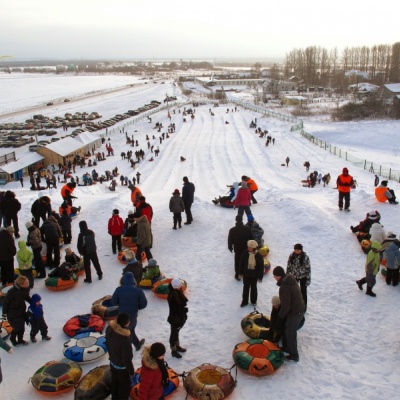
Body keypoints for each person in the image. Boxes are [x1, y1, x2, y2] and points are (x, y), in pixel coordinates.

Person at [272, 266, 305, 362]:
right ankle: (286, 347)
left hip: (296, 311)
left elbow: (285, 306)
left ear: (278, 276)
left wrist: (279, 317)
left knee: (291, 332)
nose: (274, 278)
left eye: (274, 276)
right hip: (297, 308)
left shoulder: (285, 287)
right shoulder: (288, 280)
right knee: (287, 329)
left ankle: (294, 355)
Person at [112, 272, 147, 350]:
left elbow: (113, 302)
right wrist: (137, 307)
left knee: (127, 331)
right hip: (133, 315)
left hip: (122, 316)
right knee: (129, 330)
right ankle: (130, 347)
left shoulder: (119, 290)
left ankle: (134, 345)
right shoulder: (138, 291)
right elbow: (144, 304)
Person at [105, 313, 135, 400]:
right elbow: (127, 359)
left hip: (112, 361)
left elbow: (107, 342)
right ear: (126, 323)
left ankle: (114, 397)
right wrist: (131, 372)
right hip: (122, 368)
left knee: (114, 382)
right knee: (124, 387)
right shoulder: (125, 339)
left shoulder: (109, 328)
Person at [3, 275, 31, 347]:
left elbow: (26, 297)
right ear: (21, 284)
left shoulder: (26, 289)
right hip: (13, 314)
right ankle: (13, 340)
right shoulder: (11, 292)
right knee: (16, 328)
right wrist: (4, 315)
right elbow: (6, 303)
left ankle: (20, 340)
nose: (28, 283)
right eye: (26, 283)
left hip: (21, 311)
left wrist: (33, 302)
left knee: (22, 328)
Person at [238, 240, 264, 307]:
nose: (248, 248)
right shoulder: (245, 253)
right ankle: (244, 301)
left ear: (254, 248)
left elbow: (261, 267)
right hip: (246, 274)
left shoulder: (258, 256)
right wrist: (240, 273)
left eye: (250, 247)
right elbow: (241, 263)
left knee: (253, 288)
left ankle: (253, 301)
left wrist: (260, 277)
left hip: (254, 275)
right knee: (245, 288)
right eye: (248, 246)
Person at [286, 244, 311, 312]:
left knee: (303, 291)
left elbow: (308, 269)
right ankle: (293, 304)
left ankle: (304, 306)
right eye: (295, 249)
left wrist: (308, 279)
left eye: (298, 250)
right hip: (294, 276)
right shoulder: (291, 256)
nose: (296, 251)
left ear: (301, 250)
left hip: (303, 276)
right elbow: (288, 267)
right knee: (293, 290)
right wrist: (287, 276)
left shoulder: (305, 257)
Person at [167, 278, 188, 358]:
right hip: (175, 318)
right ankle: (173, 350)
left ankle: (177, 346)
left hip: (179, 317)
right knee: (173, 334)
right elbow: (175, 308)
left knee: (176, 332)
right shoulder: (173, 295)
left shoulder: (176, 292)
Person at [228, 215, 253, 281]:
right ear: (242, 220)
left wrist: (230, 247)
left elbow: (230, 240)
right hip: (246, 248)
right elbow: (251, 238)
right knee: (246, 261)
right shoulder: (247, 229)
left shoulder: (232, 230)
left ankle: (238, 274)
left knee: (237, 261)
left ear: (236, 220)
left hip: (237, 249)